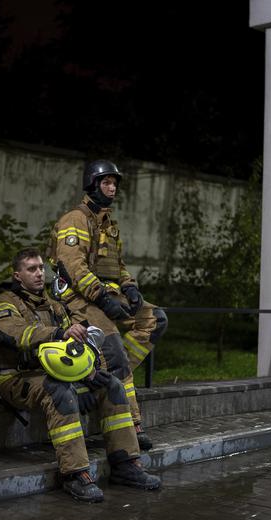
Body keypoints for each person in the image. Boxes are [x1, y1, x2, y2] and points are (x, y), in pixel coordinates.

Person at [0, 248, 162, 502]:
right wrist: (56, 334)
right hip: (15, 378)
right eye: (31, 269)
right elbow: (13, 331)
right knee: (59, 390)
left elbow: (81, 345)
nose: (38, 273)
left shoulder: (56, 307)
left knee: (111, 385)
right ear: (17, 275)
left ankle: (126, 464)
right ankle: (75, 474)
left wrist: (91, 373)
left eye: (40, 268)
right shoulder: (5, 302)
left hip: (53, 372)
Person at [48, 160, 168, 449]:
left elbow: (118, 265)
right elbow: (73, 268)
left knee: (155, 319)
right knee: (113, 350)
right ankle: (132, 424)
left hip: (108, 295)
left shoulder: (108, 223)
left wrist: (130, 287)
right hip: (78, 299)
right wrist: (103, 298)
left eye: (114, 183)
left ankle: (109, 369)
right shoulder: (75, 220)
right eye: (106, 182)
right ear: (92, 184)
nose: (112, 188)